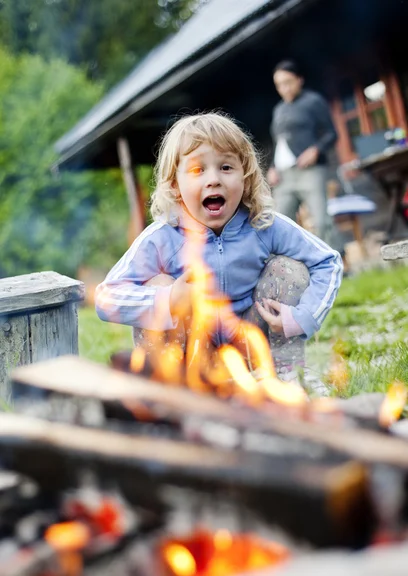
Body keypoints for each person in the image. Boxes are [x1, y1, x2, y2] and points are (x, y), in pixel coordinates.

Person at [95, 112, 342, 380]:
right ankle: (166, 383)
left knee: (287, 268)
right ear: (175, 185)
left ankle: (288, 374)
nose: (213, 179)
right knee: (157, 286)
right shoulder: (162, 236)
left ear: (245, 178)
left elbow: (328, 260)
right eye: (197, 170)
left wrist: (303, 317)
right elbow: (105, 297)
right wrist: (165, 300)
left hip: (251, 344)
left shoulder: (262, 224)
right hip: (193, 353)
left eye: (226, 167)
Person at [267, 60, 338, 242]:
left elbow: (331, 133)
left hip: (310, 172)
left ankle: (335, 264)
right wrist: (273, 167)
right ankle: (292, 268)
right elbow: (279, 142)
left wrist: (315, 150)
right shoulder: (278, 110)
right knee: (280, 222)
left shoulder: (313, 101)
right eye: (279, 85)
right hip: (284, 177)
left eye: (288, 82)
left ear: (299, 80)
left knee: (321, 220)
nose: (285, 88)